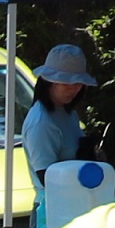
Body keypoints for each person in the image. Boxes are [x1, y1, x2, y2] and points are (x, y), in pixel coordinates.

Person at [22, 42, 98, 175]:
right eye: (66, 82)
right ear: (49, 81)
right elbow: (47, 178)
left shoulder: (68, 113)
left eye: (78, 83)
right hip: (56, 195)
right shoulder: (41, 122)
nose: (73, 88)